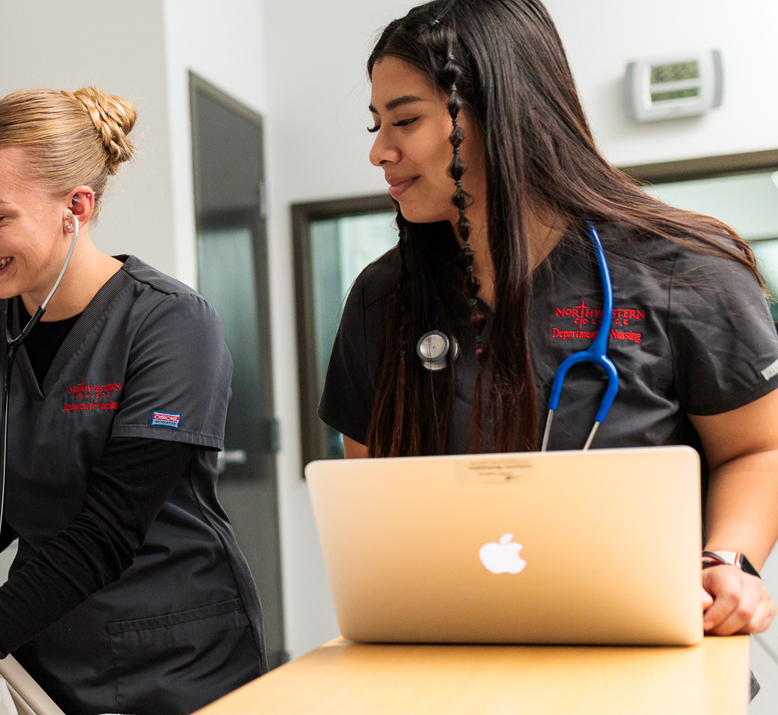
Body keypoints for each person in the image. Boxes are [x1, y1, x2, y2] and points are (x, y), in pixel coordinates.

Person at [319, 0, 778, 635]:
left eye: (405, 121)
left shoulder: (684, 270)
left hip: (642, 643)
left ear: (501, 114)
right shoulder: (384, 296)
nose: (379, 151)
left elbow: (758, 448)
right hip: (449, 647)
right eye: (377, 124)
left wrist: (726, 559)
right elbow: (368, 494)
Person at [0, 88, 266, 715]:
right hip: (49, 652)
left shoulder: (172, 326)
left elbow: (105, 535)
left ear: (76, 207)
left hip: (179, 658)